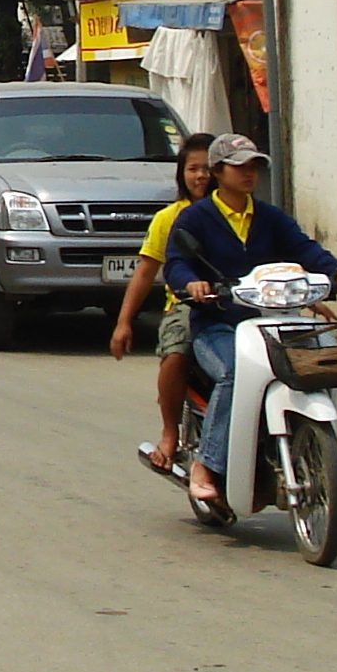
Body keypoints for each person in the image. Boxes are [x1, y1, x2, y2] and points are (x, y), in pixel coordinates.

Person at [163, 134, 337, 510]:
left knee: (318, 359)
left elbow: (305, 250)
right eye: (239, 166)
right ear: (218, 171)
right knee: (234, 373)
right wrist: (192, 282)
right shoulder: (196, 218)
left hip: (272, 321)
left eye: (253, 166)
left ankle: (304, 450)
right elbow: (175, 262)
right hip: (217, 325)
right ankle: (206, 465)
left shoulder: (270, 217)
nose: (248, 173)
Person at [111, 130, 216, 475]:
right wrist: (124, 323)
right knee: (176, 354)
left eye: (209, 168)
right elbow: (145, 273)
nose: (202, 176)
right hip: (187, 307)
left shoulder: (246, 213)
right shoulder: (168, 218)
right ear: (182, 175)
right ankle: (170, 432)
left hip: (241, 305)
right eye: (193, 168)